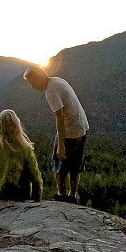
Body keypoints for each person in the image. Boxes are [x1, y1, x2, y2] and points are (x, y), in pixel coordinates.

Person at [23, 66, 88, 204]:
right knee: (75, 165)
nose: (32, 86)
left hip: (71, 130)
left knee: (60, 164)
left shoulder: (51, 91)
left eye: (32, 82)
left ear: (38, 77)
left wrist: (61, 146)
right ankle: (73, 195)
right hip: (82, 127)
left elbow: (60, 118)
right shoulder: (58, 80)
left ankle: (62, 195)